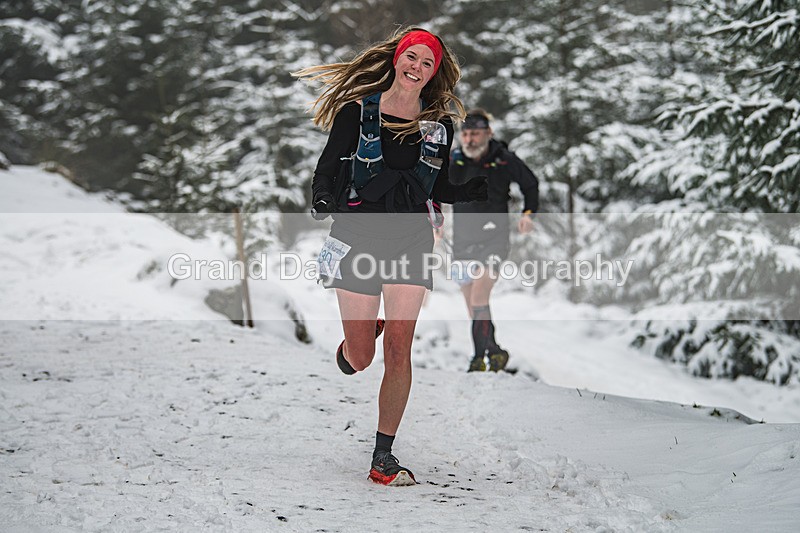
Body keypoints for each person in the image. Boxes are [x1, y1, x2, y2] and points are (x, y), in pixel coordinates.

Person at [294, 27, 487, 486]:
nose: (417, 68)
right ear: (398, 59)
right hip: (357, 236)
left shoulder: (438, 125)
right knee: (362, 358)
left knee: (400, 349)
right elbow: (327, 168)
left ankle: (383, 456)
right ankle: (355, 345)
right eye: (412, 57)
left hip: (411, 240)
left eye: (427, 63)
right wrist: (322, 198)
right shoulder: (356, 112)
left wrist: (467, 191)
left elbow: (436, 186)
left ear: (434, 73)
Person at [447, 109, 539, 373]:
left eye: (475, 134)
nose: (470, 139)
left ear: (489, 133)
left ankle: (478, 361)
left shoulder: (504, 159)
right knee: (474, 306)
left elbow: (530, 184)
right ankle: (495, 351)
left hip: (494, 240)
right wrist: (435, 220)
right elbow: (434, 190)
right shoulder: (454, 160)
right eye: (465, 134)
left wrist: (528, 214)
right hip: (462, 242)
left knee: (480, 294)